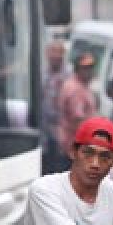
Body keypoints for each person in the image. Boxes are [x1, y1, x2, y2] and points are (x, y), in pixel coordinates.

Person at [55, 52, 100, 167]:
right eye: (85, 68)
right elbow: (78, 121)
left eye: (91, 67)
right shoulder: (76, 89)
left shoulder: (81, 85)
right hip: (76, 147)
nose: (89, 71)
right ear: (77, 69)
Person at [41, 39, 70, 173]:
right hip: (44, 129)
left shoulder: (69, 76)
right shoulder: (42, 74)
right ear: (47, 54)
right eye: (53, 52)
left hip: (62, 130)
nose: (56, 56)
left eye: (59, 52)